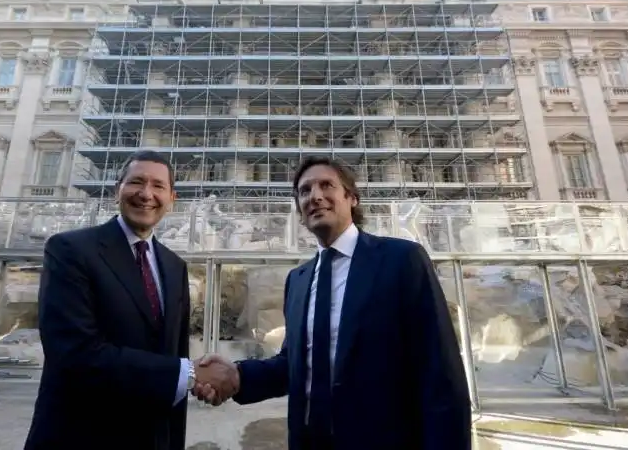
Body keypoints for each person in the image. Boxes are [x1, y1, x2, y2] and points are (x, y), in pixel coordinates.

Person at [195, 157, 472, 449]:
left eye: (326, 185)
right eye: (304, 191)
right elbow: (294, 365)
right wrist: (237, 376)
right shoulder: (298, 280)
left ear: (351, 197)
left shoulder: (401, 260)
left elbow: (440, 371)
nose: (315, 196)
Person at [24, 150, 235, 450]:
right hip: (81, 435)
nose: (146, 194)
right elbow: (75, 353)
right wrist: (190, 373)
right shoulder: (70, 250)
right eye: (136, 182)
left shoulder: (175, 266)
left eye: (158, 186)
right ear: (117, 190)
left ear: (172, 198)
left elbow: (172, 353)